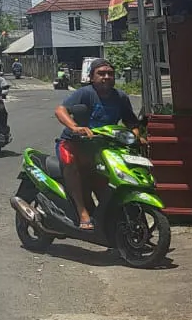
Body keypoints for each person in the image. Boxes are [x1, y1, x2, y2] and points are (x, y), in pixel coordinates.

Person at [54, 59, 142, 231]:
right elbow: (60, 110)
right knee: (70, 165)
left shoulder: (120, 97)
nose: (106, 77)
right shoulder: (85, 93)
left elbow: (132, 123)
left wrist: (136, 137)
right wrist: (75, 127)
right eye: (101, 74)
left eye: (110, 74)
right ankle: (82, 212)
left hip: (103, 148)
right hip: (74, 143)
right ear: (92, 77)